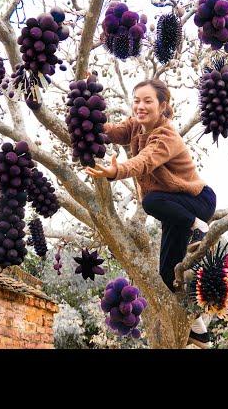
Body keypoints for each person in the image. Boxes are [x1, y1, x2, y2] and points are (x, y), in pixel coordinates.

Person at [84, 78, 217, 348]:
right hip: (175, 210)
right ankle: (200, 332)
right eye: (136, 100)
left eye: (147, 101)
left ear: (162, 105)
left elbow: (144, 161)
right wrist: (85, 118)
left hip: (196, 201)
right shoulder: (136, 126)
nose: (140, 106)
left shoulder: (166, 135)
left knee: (151, 201)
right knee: (167, 274)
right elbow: (114, 132)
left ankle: (199, 228)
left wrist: (116, 171)